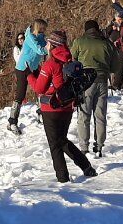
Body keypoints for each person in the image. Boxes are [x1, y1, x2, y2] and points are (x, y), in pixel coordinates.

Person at [28, 29, 97, 183]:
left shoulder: (50, 63)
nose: (46, 45)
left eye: (48, 43)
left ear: (53, 45)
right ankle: (86, 167)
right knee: (61, 140)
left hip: (51, 108)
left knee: (55, 144)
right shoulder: (69, 60)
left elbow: (39, 88)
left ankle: (63, 179)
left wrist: (29, 76)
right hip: (67, 107)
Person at [71, 19, 118, 156]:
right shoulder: (107, 43)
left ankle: (84, 147)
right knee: (100, 115)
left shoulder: (79, 42)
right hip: (102, 81)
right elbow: (115, 66)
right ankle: (99, 146)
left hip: (85, 82)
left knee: (84, 115)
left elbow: (72, 62)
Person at [9, 20, 48, 134]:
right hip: (23, 68)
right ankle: (12, 121)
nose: (45, 31)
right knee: (20, 95)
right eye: (43, 28)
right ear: (39, 28)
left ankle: (42, 114)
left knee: (42, 89)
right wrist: (50, 46)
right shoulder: (30, 37)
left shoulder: (40, 36)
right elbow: (40, 50)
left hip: (33, 67)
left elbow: (45, 48)